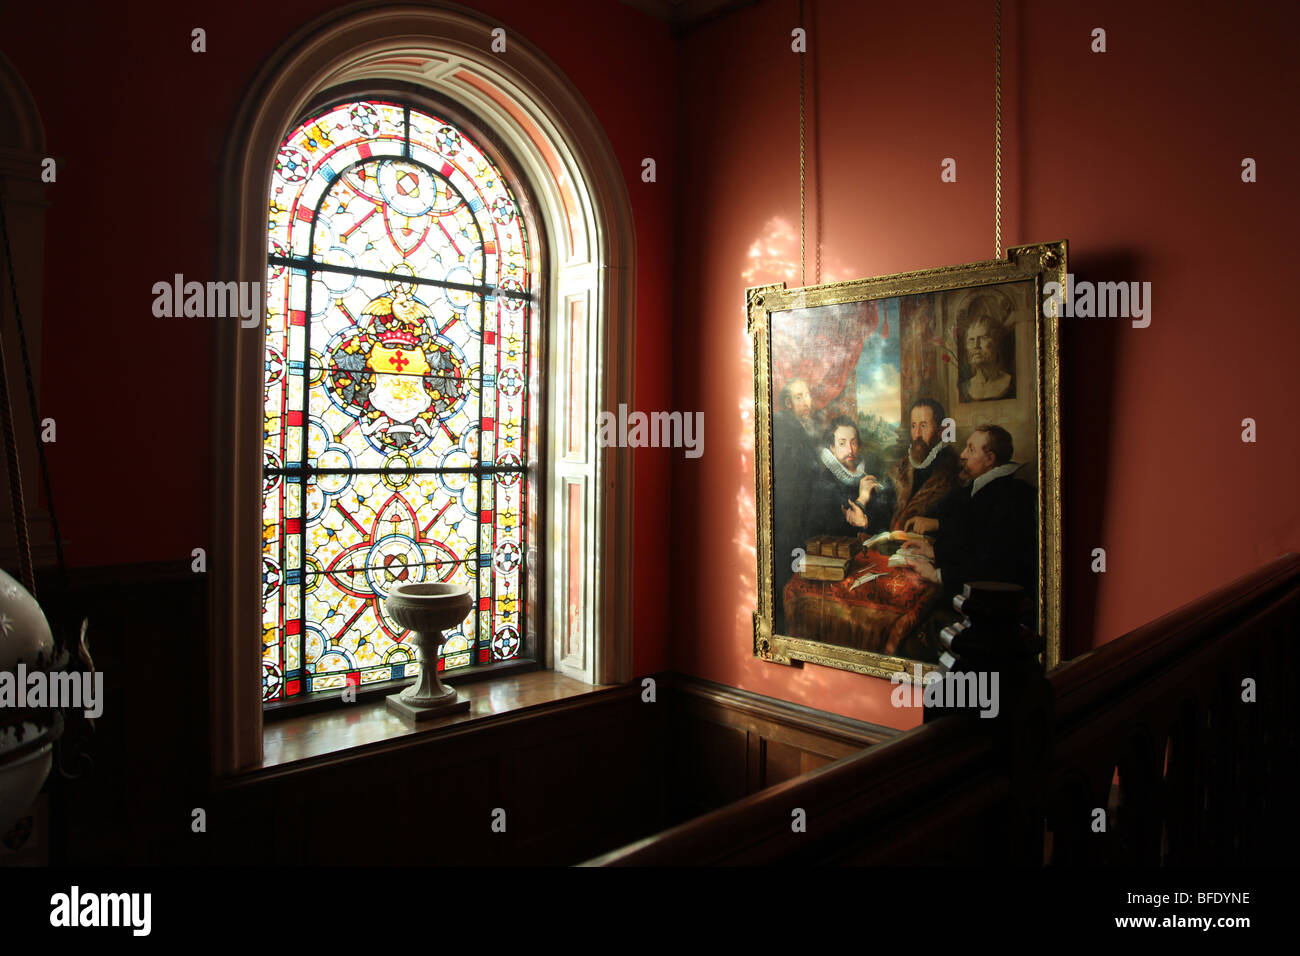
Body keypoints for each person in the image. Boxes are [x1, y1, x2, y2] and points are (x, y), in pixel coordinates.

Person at [900, 424, 1035, 604]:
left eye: (971, 450)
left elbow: (992, 565)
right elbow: (969, 541)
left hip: (992, 603)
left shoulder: (1007, 496)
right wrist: (934, 551)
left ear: (989, 459)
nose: (963, 455)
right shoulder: (981, 486)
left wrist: (937, 574)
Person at [804, 416, 890, 538]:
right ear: (832, 448)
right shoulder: (824, 482)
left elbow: (883, 526)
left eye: (853, 443)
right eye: (842, 443)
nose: (850, 450)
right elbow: (828, 532)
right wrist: (862, 499)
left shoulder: (866, 477)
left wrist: (866, 523)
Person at [885, 398, 960, 531]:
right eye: (914, 426)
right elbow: (884, 509)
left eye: (924, 425)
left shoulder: (954, 470)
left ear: (940, 430)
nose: (917, 434)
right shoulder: (900, 468)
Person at [958, 295, 1014, 402]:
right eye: (971, 340)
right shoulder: (965, 387)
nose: (976, 345)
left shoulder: (1009, 381)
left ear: (996, 342)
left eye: (983, 338)